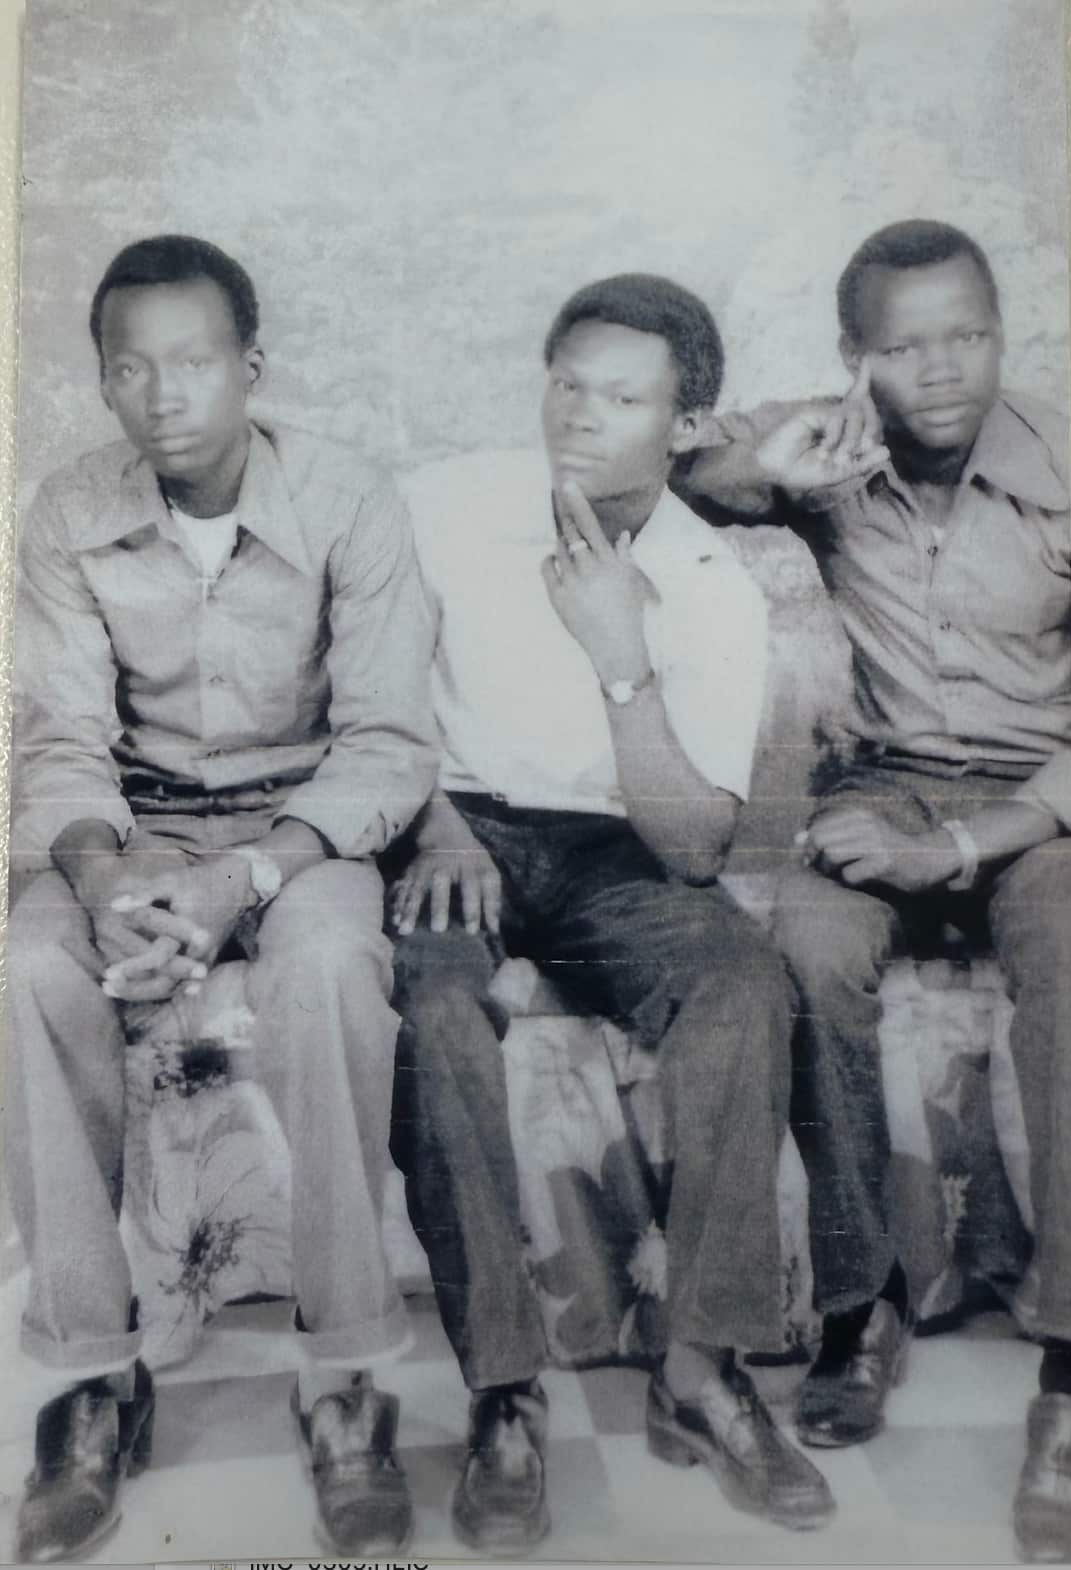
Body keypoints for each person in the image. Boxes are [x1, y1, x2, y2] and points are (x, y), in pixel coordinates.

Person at [387, 273, 836, 1555]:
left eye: (622, 397)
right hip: (452, 825)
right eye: (566, 381)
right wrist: (430, 819)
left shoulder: (708, 581)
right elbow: (367, 683)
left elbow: (692, 842)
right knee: (433, 1004)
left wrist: (620, 657)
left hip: (612, 850)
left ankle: (700, 1368)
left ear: (684, 426)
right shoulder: (448, 504)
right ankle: (501, 1392)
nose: (578, 416)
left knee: (743, 983)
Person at [6, 235, 438, 1563]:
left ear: (252, 368)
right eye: (129, 368)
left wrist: (246, 870)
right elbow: (62, 738)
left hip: (301, 830)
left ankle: (342, 1376)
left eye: (194, 362)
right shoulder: (67, 507)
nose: (163, 394)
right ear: (102, 384)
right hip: (132, 832)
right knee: (26, 970)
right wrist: (103, 871)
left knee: (325, 974)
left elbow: (386, 738)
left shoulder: (350, 496)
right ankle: (94, 1372)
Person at [677, 219, 1071, 1564]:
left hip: (1041, 802)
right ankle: (861, 1304)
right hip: (883, 782)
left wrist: (961, 856)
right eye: (904, 344)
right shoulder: (833, 444)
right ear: (859, 357)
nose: (943, 367)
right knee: (803, 940)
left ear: (1000, 327)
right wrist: (755, 464)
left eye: (966, 331)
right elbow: (671, 466)